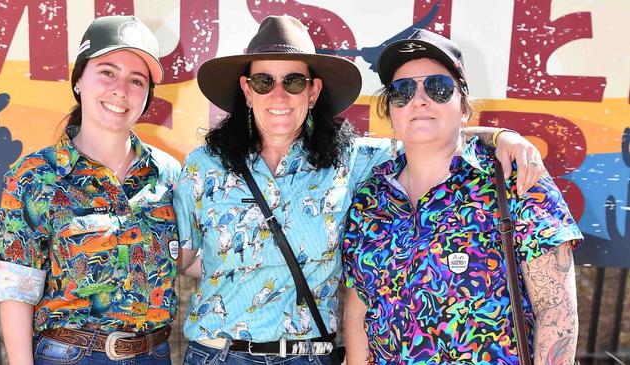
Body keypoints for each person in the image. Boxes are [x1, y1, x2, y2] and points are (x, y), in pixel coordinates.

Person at [174, 15, 545, 365]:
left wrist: (501, 136)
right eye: (263, 82)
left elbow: (430, 134)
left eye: (294, 81)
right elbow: (188, 260)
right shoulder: (204, 165)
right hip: (218, 354)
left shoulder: (351, 160)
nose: (279, 95)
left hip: (309, 355)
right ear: (247, 90)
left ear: (313, 90)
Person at [341, 29, 583, 364]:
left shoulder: (516, 181)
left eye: (438, 88)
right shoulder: (370, 199)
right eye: (402, 91)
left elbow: (556, 314)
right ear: (391, 110)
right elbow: (358, 312)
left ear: (464, 105)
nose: (419, 100)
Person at [0, 15, 179, 365]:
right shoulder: (34, 176)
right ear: (79, 80)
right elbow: (17, 290)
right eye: (107, 72)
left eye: (136, 80)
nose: (120, 90)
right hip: (70, 355)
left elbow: (189, 257)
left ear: (147, 96)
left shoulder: (169, 173)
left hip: (155, 354)